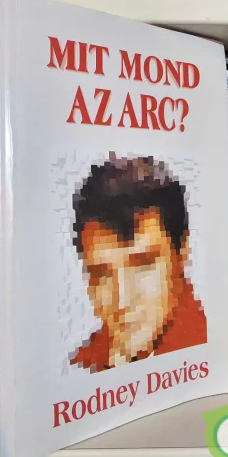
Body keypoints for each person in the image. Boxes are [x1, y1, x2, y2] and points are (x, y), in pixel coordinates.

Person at [70, 153, 207, 373]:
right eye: (102, 274)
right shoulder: (82, 365)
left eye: (143, 264)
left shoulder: (207, 351)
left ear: (181, 254)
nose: (122, 300)